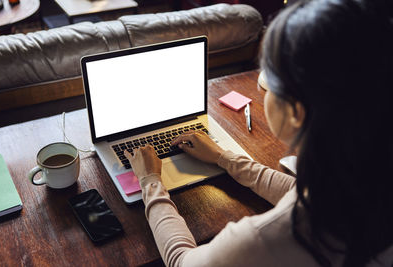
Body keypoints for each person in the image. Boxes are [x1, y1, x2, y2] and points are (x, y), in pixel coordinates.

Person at [125, 0, 393, 266]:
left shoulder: (262, 241)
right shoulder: (365, 184)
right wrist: (224, 158)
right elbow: (296, 190)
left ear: (295, 111)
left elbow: (181, 261)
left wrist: (150, 181)